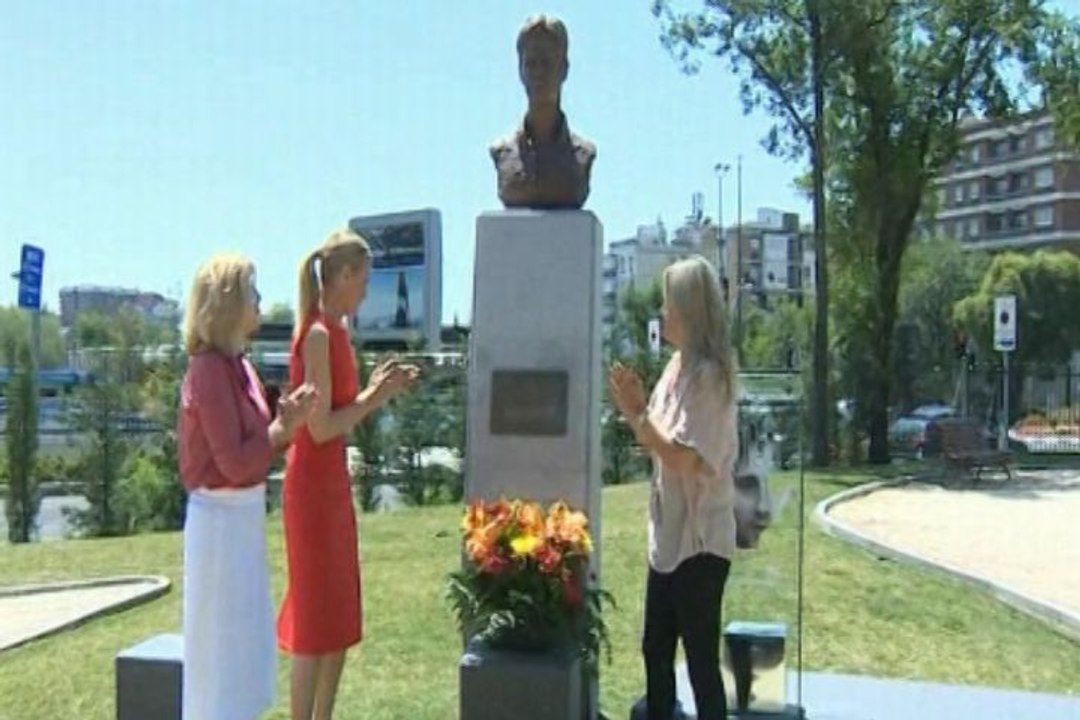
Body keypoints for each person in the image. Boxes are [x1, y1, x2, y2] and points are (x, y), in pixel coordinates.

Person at [277, 228, 419, 720]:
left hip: (332, 487)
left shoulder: (337, 333)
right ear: (340, 276)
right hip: (312, 492)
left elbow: (341, 414)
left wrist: (377, 391)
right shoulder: (317, 334)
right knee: (314, 622)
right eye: (363, 279)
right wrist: (375, 398)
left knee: (337, 616)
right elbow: (319, 429)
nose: (366, 291)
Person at [178, 253, 316, 720]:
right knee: (219, 655)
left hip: (241, 518)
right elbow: (235, 462)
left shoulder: (239, 364)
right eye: (252, 292)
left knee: (240, 648)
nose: (259, 301)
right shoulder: (209, 369)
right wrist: (283, 430)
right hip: (220, 522)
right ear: (229, 301)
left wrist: (285, 420)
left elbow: (256, 441)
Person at [609, 255, 739, 720]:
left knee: (701, 661)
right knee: (655, 647)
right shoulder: (675, 368)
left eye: (669, 305)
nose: (662, 314)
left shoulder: (710, 378)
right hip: (668, 536)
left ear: (688, 309)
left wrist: (636, 413)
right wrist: (637, 413)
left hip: (700, 543)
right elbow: (659, 440)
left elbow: (684, 456)